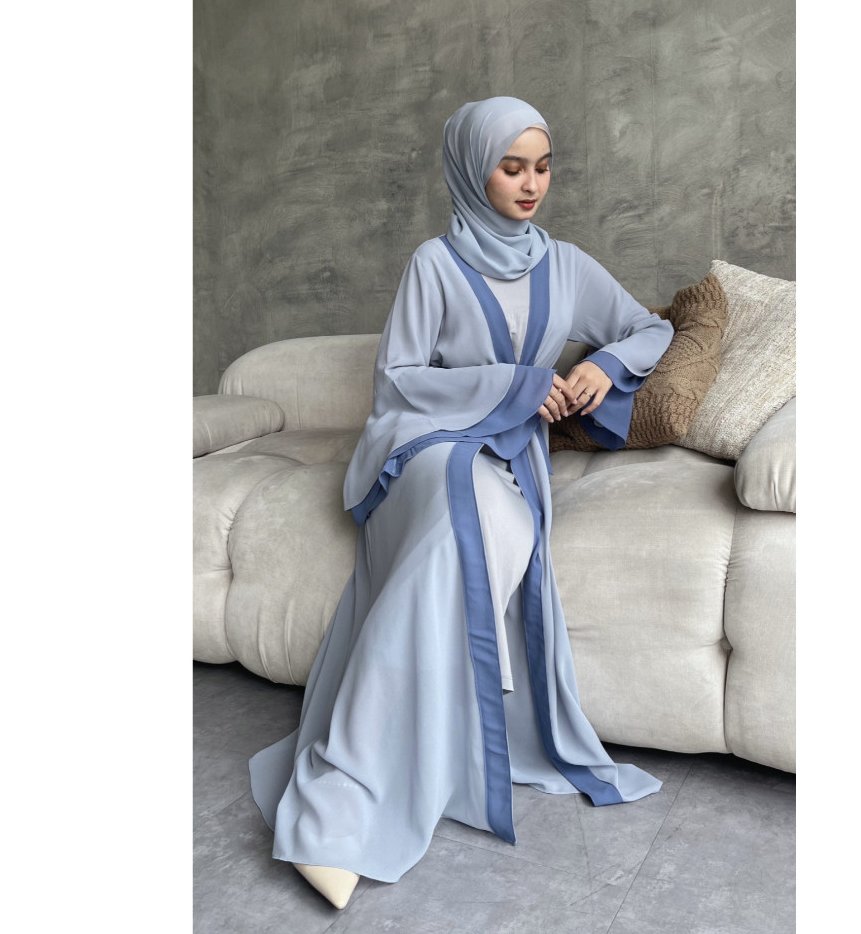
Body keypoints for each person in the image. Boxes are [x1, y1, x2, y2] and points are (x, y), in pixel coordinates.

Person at [249, 97, 675, 909]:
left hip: (509, 457)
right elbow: (398, 382)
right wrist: (517, 386)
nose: (531, 184)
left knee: (492, 530)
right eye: (512, 167)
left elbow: (649, 329)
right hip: (426, 446)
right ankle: (345, 789)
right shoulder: (434, 264)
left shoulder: (567, 266)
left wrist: (605, 366)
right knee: (466, 522)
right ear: (474, 170)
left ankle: (385, 761)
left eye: (542, 167)